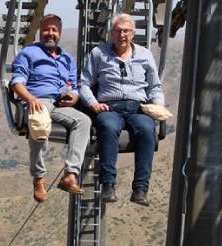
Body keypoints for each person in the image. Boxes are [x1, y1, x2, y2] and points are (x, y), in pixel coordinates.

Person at [79, 13, 166, 206]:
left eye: (126, 31)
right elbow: (84, 83)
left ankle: (141, 189)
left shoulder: (144, 55)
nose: (122, 35)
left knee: (146, 130)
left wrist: (158, 104)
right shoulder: (98, 54)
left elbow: (154, 86)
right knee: (108, 127)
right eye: (118, 31)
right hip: (111, 106)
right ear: (112, 33)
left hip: (138, 107)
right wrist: (93, 103)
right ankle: (108, 184)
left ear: (133, 34)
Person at [11, 14, 91, 203]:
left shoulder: (67, 59)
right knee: (40, 119)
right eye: (47, 30)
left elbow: (73, 86)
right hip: (37, 100)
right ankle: (38, 177)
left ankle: (70, 174)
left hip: (58, 103)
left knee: (84, 121)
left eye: (54, 30)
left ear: (60, 33)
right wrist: (31, 99)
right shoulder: (28, 54)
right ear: (40, 32)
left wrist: (73, 97)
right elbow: (17, 83)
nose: (50, 34)